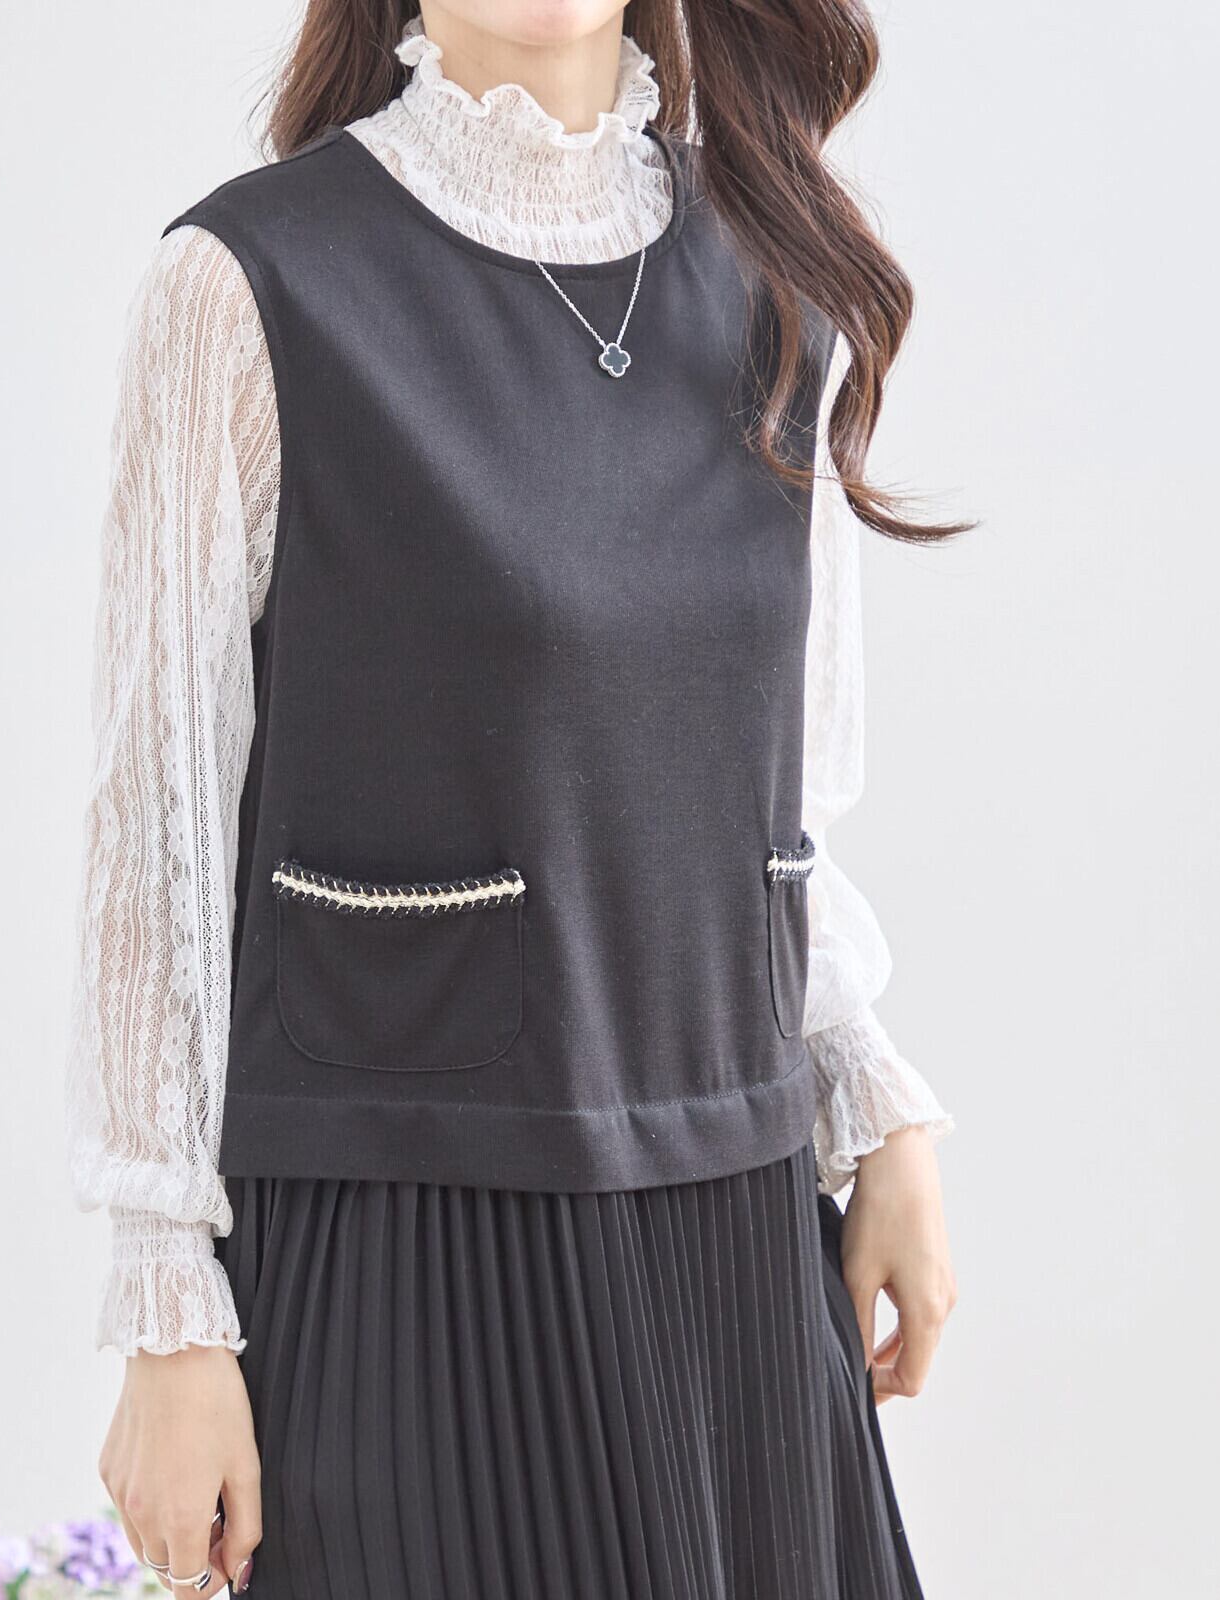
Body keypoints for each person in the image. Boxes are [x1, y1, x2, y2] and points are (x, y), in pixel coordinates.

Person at [67, 5, 961, 1596]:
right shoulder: (248, 285)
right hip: (408, 1235)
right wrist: (166, 1311)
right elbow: (158, 827)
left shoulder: (780, 279)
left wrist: (871, 1105)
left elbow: (789, 795)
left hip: (736, 1222)